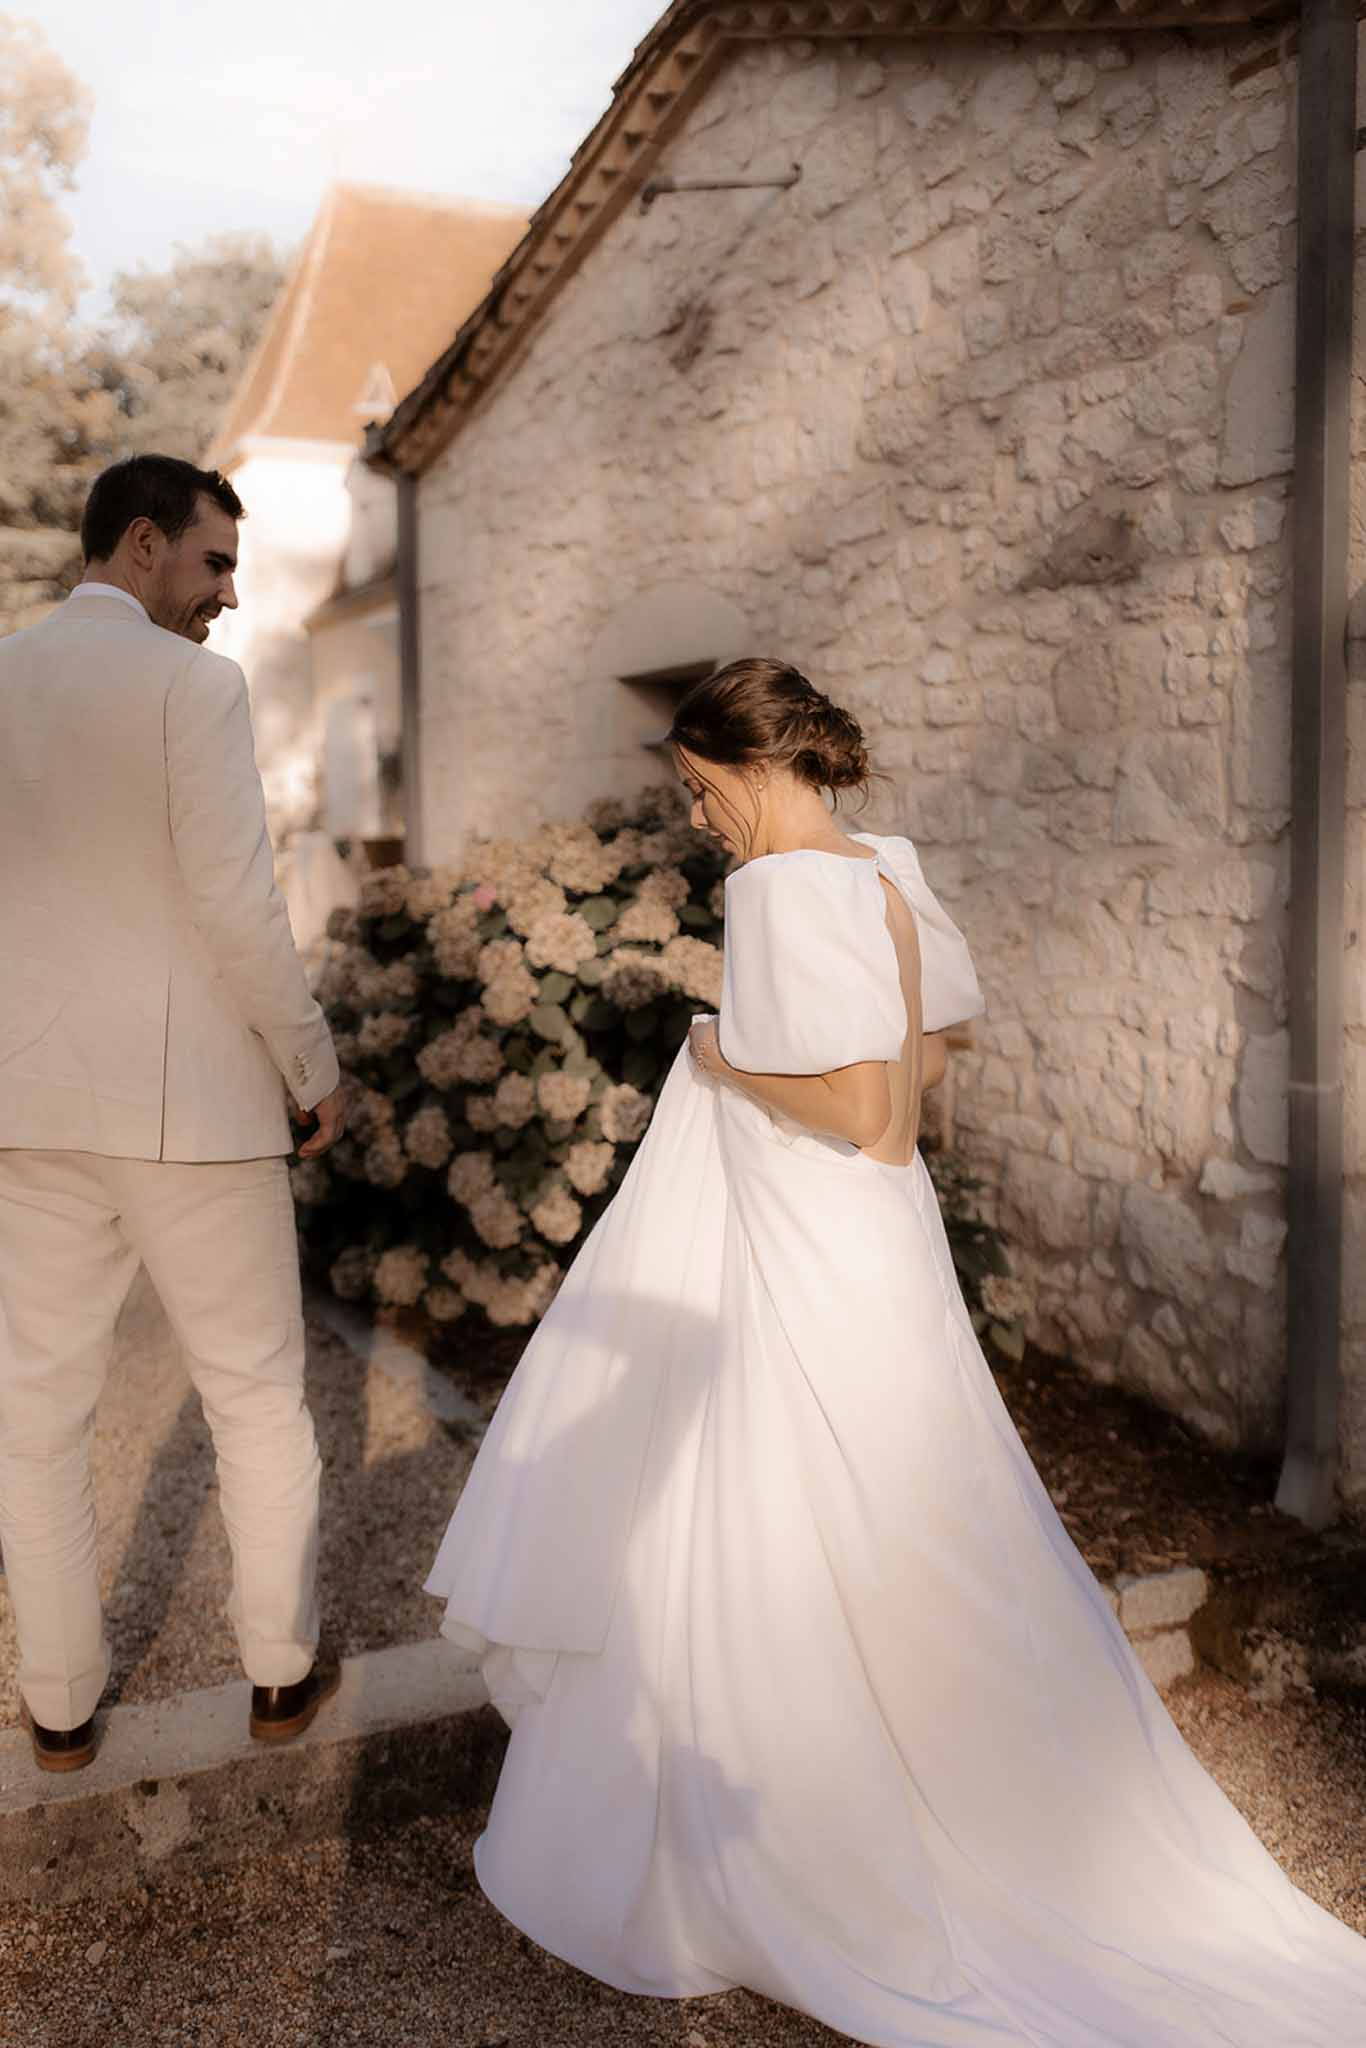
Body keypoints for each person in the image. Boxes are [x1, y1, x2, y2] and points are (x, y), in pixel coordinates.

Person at [426, 658, 1366, 2044]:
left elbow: (864, 1111)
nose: (699, 821)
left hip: (811, 1242)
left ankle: (836, 1837)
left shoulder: (775, 889)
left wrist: (716, 1056)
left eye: (698, 791)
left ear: (753, 767)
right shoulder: (880, 867)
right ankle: (978, 1793)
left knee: (795, 1520)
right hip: (879, 1254)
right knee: (901, 1523)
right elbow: (928, 1068)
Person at [0, 454, 347, 1773]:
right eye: (213, 566)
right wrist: (311, 1064)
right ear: (141, 543)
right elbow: (236, 903)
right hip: (195, 1109)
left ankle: (59, 1706)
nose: (222, 601)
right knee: (257, 1396)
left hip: (26, 1108)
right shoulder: (192, 687)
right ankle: (276, 1675)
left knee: (34, 1412)